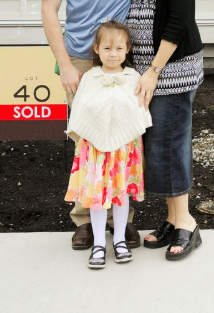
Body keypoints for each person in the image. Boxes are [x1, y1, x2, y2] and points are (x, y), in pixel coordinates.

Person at [36, 0, 204, 251]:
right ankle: (85, 220)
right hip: (82, 58)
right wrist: (63, 64)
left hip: (130, 61)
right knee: (88, 142)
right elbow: (49, 11)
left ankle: (124, 219)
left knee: (130, 138)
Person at [127, 0, 205, 260]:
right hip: (147, 70)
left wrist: (155, 71)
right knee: (157, 145)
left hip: (170, 70)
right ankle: (173, 218)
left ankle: (186, 222)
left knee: (170, 144)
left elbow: (177, 23)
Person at [65, 21, 151, 269]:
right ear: (96, 49)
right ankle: (100, 243)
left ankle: (121, 240)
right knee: (97, 196)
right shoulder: (90, 77)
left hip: (124, 150)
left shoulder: (133, 77)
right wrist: (89, 136)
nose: (113, 54)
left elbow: (138, 111)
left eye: (119, 48)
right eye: (107, 48)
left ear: (127, 50)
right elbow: (81, 110)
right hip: (95, 150)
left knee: (121, 194)